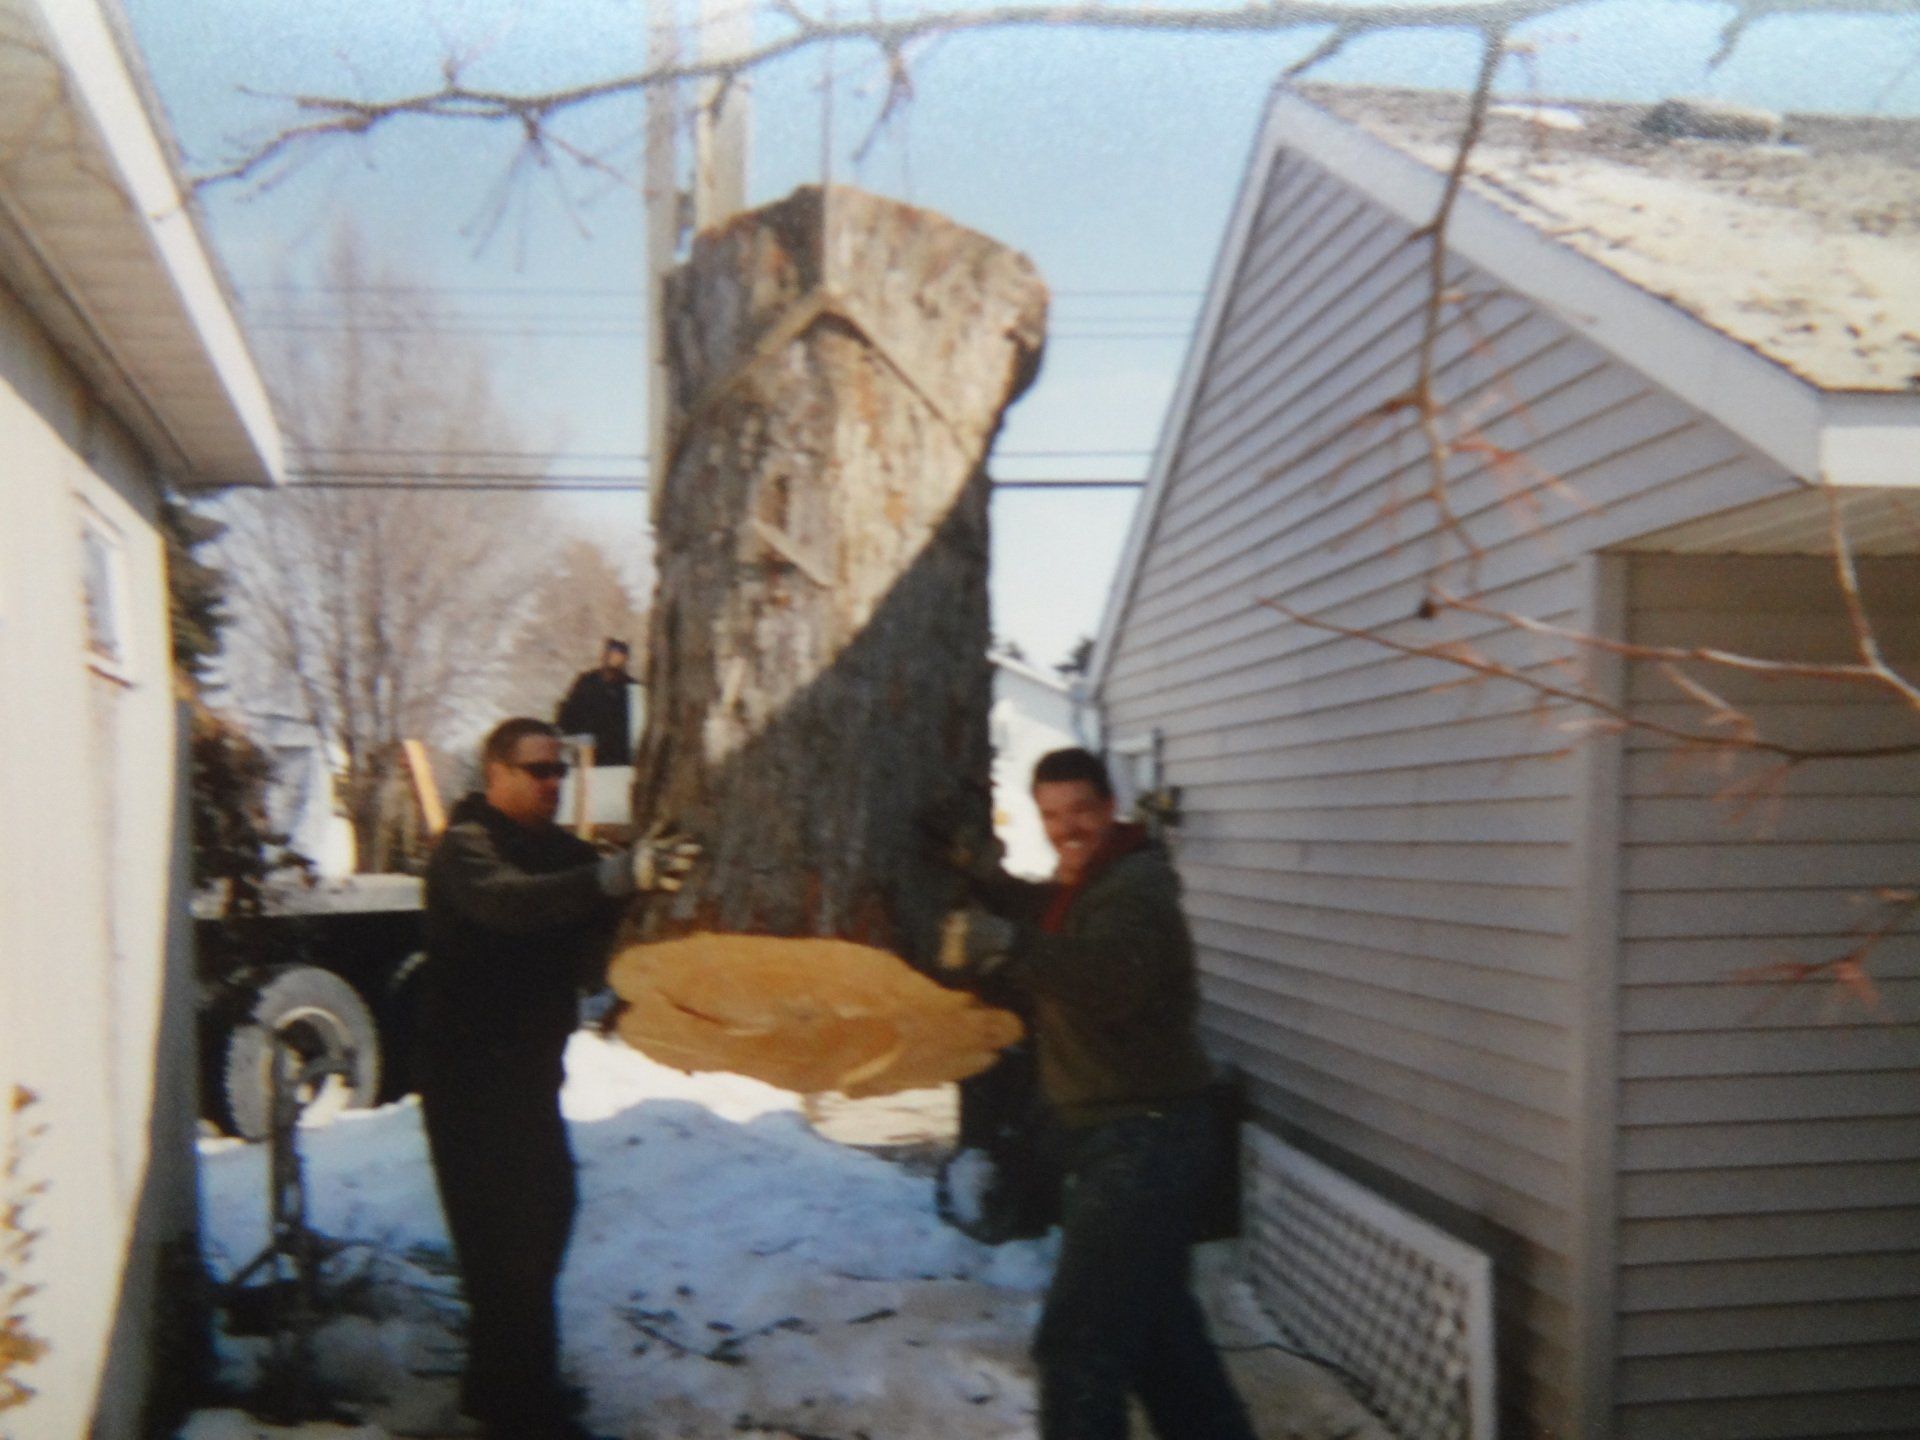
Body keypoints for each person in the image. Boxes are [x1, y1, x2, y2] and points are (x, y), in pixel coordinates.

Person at [938, 747, 1257, 1440]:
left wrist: (1008, 944)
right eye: (1051, 815)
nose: (1066, 828)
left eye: (1080, 810)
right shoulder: (1089, 883)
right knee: (1160, 1341)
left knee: (1079, 1347)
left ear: (1110, 806)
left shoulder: (1136, 886)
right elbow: (1052, 915)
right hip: (1134, 1137)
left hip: (1143, 1142)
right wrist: (989, 880)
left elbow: (1113, 974)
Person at [417, 717, 695, 1440]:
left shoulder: (556, 851)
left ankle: (505, 1393)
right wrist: (610, 876)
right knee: (503, 1247)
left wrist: (640, 884)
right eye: (537, 770)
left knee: (542, 1225)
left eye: (558, 773)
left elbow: (596, 913)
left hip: (529, 1076)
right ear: (495, 775)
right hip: (469, 1082)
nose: (551, 783)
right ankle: (517, 1413)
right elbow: (511, 903)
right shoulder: (466, 848)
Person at [556, 639, 638, 766]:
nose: (615, 659)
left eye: (620, 655)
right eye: (612, 654)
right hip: (587, 750)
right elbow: (569, 713)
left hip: (619, 753)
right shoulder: (586, 682)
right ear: (604, 656)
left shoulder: (631, 688)